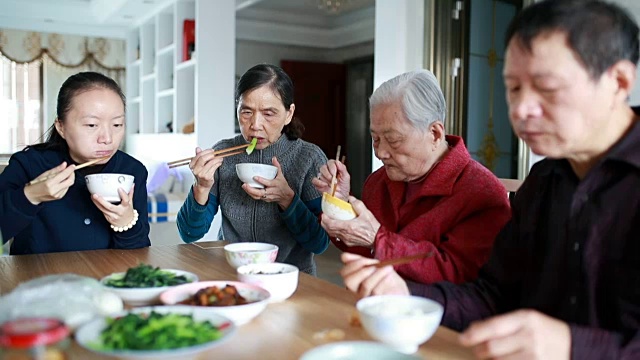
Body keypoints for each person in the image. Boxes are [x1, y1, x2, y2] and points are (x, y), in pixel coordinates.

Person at [340, 0, 640, 358]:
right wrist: (408, 296)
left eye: (546, 87)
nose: (520, 109)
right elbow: (493, 295)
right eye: (513, 88)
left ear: (618, 81)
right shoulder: (543, 182)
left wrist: (572, 346)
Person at [312, 69, 511, 285]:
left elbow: (458, 273)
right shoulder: (378, 182)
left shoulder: (481, 192)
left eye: (393, 140)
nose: (380, 153)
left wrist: (378, 239)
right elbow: (362, 249)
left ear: (434, 133)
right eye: (375, 138)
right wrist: (340, 204)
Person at [177, 64, 329, 275]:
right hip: (232, 275)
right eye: (246, 112)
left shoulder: (309, 158)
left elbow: (319, 243)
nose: (256, 125)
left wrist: (287, 199)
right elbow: (189, 234)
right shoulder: (223, 154)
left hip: (292, 279)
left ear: (288, 113)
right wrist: (201, 187)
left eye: (269, 113)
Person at [0, 71, 150, 254]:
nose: (107, 138)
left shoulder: (132, 171)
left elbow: (139, 256)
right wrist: (31, 196)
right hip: (38, 279)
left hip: (104, 280)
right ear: (61, 127)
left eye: (117, 125)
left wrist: (126, 223)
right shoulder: (29, 164)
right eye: (92, 125)